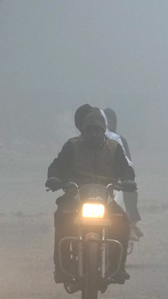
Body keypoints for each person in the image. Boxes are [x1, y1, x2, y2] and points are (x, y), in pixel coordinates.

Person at [46, 107, 135, 284]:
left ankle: (118, 267)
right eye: (89, 130)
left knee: (123, 222)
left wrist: (128, 180)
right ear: (83, 131)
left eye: (97, 130)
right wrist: (54, 178)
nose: (93, 134)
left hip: (105, 196)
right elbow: (57, 165)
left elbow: (125, 169)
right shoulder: (72, 146)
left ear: (103, 131)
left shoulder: (114, 148)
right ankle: (61, 268)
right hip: (75, 195)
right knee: (62, 218)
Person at [104, 108, 143, 241]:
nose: (108, 123)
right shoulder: (86, 140)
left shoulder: (118, 140)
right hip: (94, 179)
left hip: (115, 179)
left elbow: (127, 163)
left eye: (110, 120)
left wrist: (127, 178)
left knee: (130, 191)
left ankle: (131, 224)